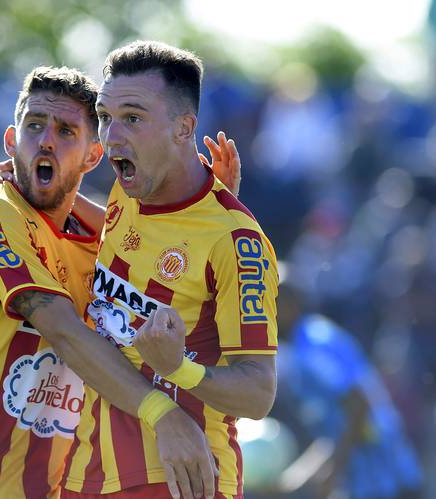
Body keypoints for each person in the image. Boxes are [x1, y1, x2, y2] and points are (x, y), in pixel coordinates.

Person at [0, 65, 239, 499]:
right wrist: (164, 414)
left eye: (66, 132)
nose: (46, 139)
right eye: (34, 126)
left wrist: (208, 213)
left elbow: (172, 264)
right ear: (12, 141)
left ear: (92, 155)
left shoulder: (96, 251)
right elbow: (62, 328)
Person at [55, 41, 279, 499]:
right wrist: (52, 196)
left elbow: (258, 394)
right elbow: (124, 244)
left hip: (179, 478)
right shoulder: (131, 187)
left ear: (184, 128)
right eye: (105, 117)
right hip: (88, 468)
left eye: (133, 118)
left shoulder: (236, 241)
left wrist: (179, 368)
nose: (112, 136)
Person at [272, 279, 423, 499]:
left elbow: (359, 404)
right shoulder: (299, 346)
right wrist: (300, 475)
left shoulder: (314, 345)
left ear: (289, 305)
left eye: (269, 303)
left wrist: (334, 471)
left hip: (385, 479)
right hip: (371, 482)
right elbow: (334, 427)